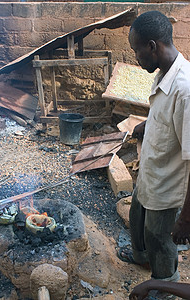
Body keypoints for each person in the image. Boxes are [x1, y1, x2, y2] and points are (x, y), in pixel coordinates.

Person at [117, 10, 190, 297]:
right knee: (138, 219)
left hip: (168, 190)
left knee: (160, 241)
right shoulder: (162, 73)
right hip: (150, 174)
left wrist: (185, 218)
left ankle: (163, 287)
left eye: (137, 51)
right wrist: (148, 124)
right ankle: (141, 257)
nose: (136, 57)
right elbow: (168, 118)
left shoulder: (185, 90)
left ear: (152, 46)